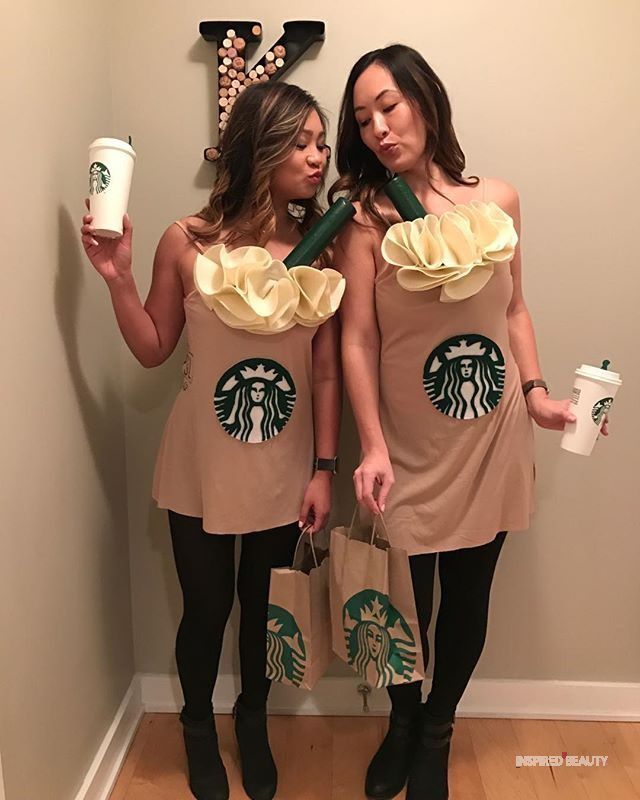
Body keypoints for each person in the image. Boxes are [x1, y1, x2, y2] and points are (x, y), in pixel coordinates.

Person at [330, 44, 609, 800]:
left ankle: (437, 731)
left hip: (491, 435)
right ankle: (402, 717)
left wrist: (540, 393)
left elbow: (513, 308)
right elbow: (357, 338)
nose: (380, 128)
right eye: (363, 119)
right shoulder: (363, 220)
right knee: (404, 602)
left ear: (426, 99)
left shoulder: (501, 201)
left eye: (389, 105)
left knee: (469, 595)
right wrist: (375, 445)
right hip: (408, 449)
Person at [81, 82, 341, 800]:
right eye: (303, 141)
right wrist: (118, 278)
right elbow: (153, 347)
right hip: (199, 461)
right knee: (206, 609)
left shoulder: (320, 251)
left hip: (284, 466)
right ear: (260, 146)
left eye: (322, 142)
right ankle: (198, 726)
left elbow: (324, 374)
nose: (319, 156)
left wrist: (325, 468)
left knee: (263, 608)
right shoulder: (185, 240)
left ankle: (250, 720)